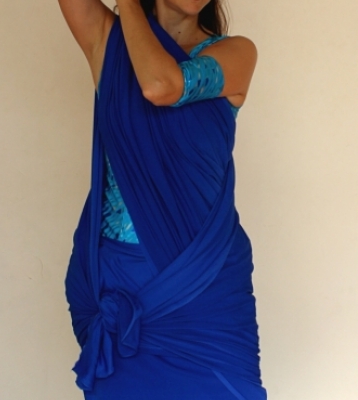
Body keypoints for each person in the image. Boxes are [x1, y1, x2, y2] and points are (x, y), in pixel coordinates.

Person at [58, 0, 266, 398]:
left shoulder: (236, 52)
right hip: (118, 283)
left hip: (202, 288)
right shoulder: (107, 42)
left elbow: (161, 86)